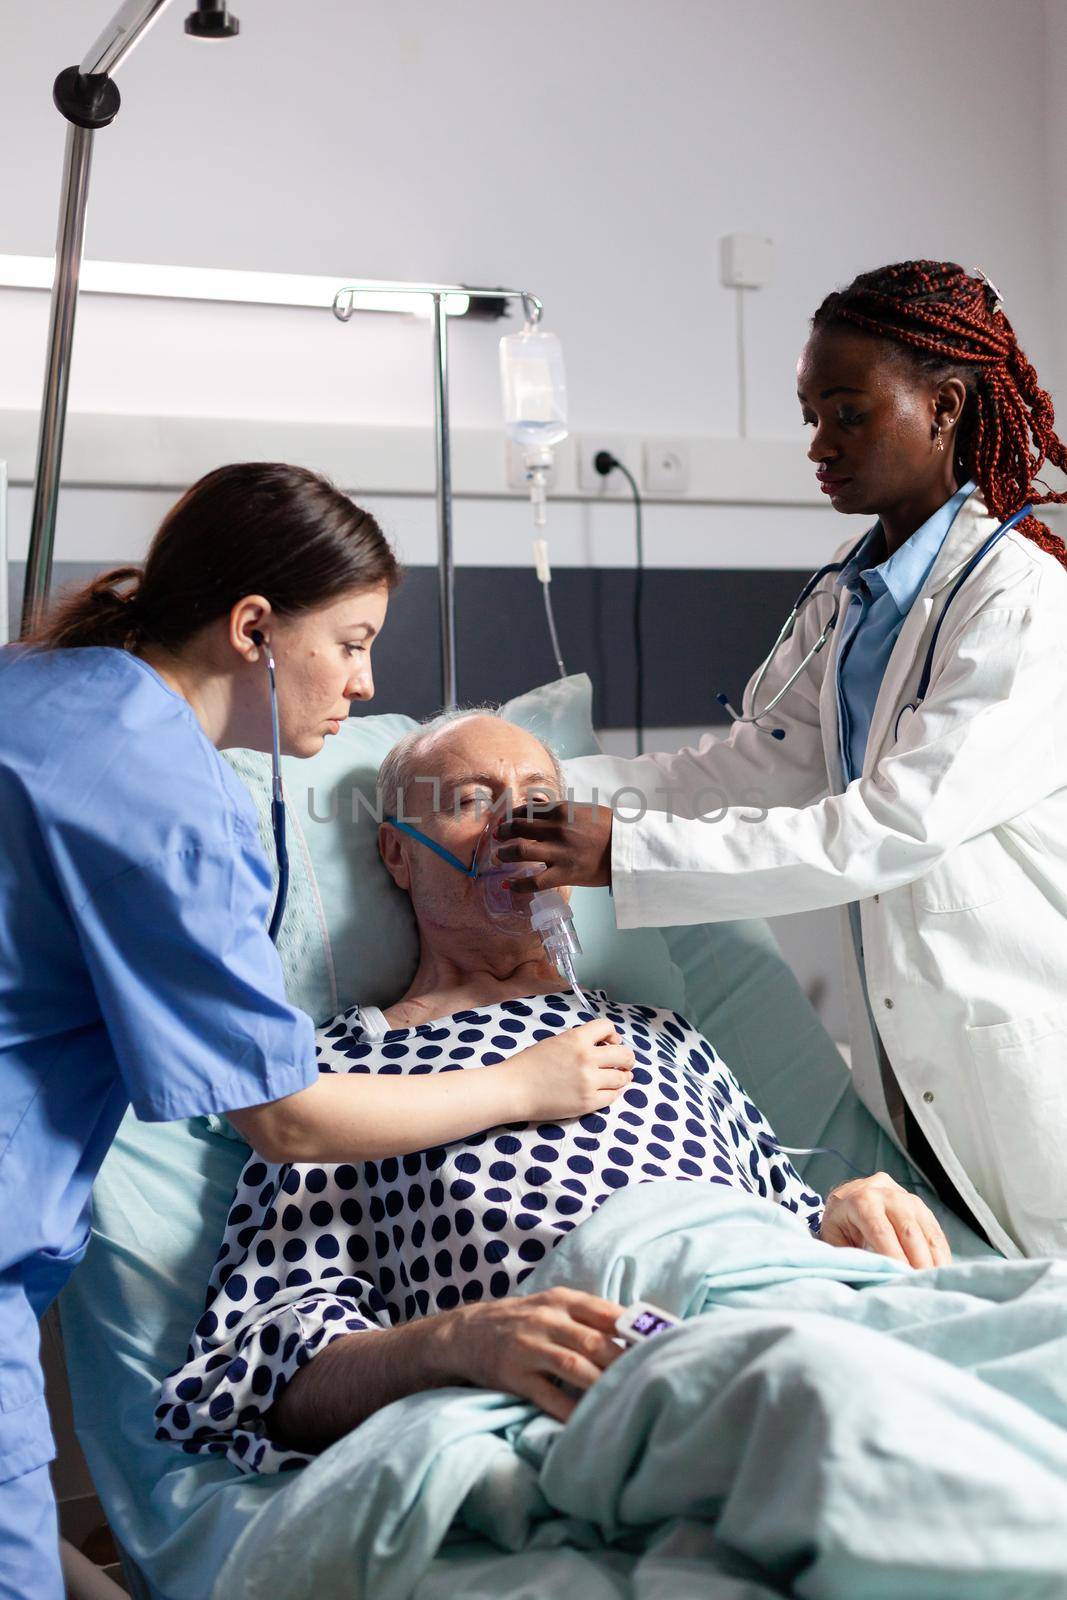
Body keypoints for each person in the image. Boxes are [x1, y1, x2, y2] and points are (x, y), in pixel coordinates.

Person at [0, 467, 629, 1600]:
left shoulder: (47, 694)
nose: (365, 678)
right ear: (252, 629)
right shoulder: (169, 800)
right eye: (349, 642)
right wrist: (522, 1087)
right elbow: (286, 1119)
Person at [153, 711, 948, 1472]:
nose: (516, 827)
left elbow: (789, 1227)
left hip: (790, 1312)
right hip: (613, 1371)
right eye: (472, 800)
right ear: (398, 856)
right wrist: (459, 1342)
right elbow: (261, 1379)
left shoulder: (664, 1035)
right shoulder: (337, 1077)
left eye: (540, 802)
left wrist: (847, 1213)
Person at [495, 260, 1067, 1264]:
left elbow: (887, 827)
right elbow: (739, 778)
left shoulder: (1020, 604)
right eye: (809, 414)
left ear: (942, 407)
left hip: (1023, 1059)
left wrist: (620, 853)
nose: (817, 445)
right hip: (918, 1075)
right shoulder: (849, 605)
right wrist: (539, 786)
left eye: (845, 412)